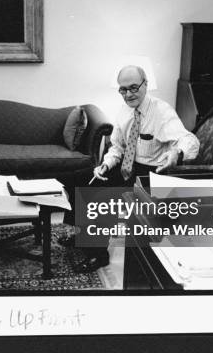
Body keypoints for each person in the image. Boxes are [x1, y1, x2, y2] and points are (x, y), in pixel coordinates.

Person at [60, 65, 200, 273]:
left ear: (146, 85)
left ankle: (98, 256)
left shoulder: (161, 111)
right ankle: (83, 235)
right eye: (123, 89)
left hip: (151, 174)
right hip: (127, 166)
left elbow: (190, 140)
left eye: (133, 87)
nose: (128, 94)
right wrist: (105, 165)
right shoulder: (125, 110)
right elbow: (117, 146)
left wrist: (176, 153)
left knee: (101, 200)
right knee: (75, 180)